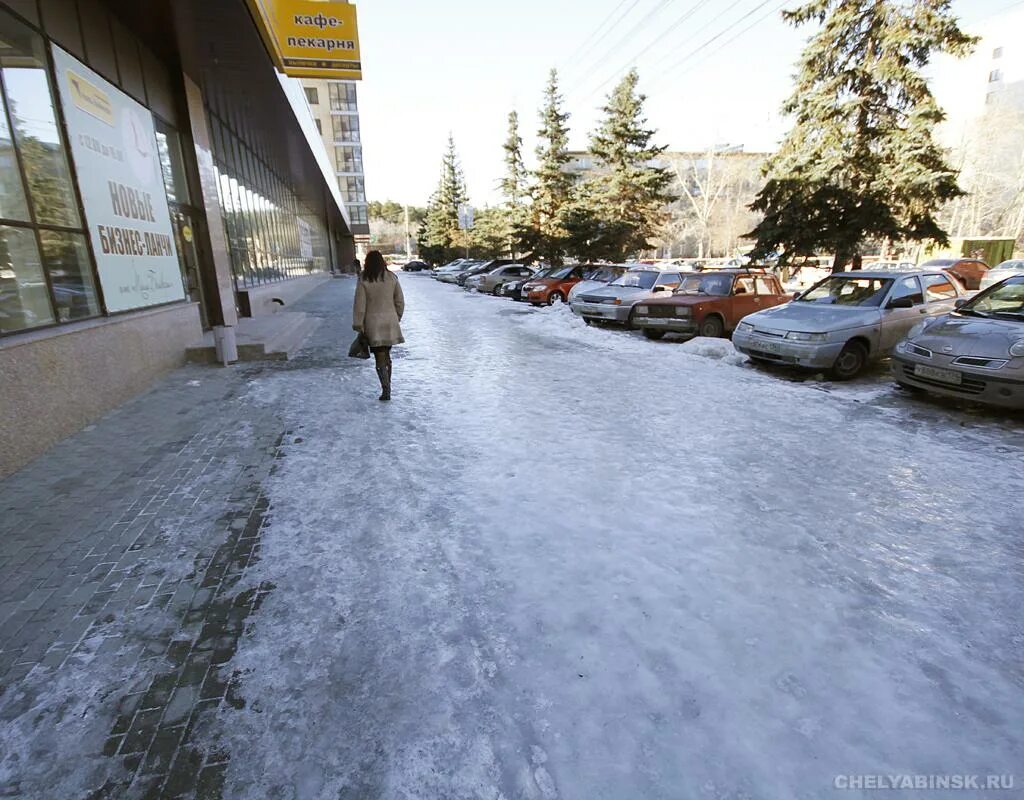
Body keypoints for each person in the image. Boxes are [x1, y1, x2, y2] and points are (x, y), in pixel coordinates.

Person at [352, 250, 404, 401]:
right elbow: (400, 301)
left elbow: (360, 304)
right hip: (390, 323)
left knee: (379, 357)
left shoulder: (364, 279)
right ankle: (388, 386)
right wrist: (396, 317)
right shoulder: (392, 277)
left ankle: (385, 389)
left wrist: (358, 324)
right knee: (386, 355)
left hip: (373, 324)